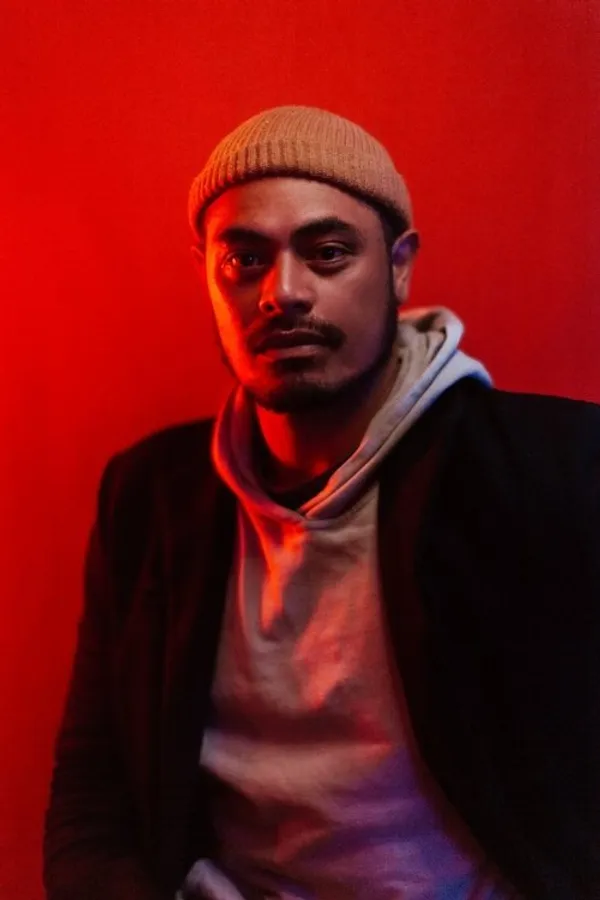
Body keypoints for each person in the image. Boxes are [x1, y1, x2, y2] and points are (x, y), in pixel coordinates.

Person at [43, 105, 600, 900]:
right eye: (245, 259)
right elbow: (95, 789)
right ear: (206, 273)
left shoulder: (556, 470)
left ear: (399, 267)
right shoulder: (150, 499)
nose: (284, 293)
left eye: (328, 253)